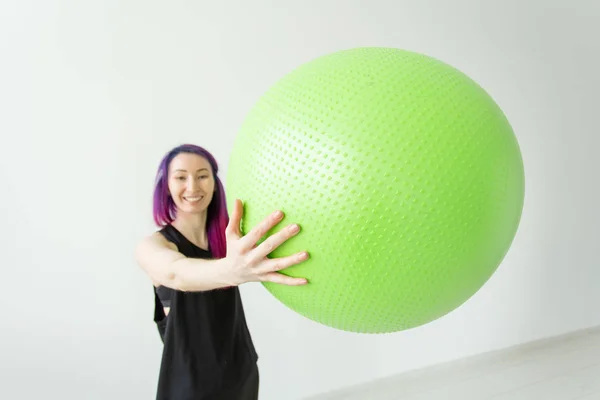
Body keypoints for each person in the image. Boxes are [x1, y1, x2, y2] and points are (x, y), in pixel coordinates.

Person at [135, 144, 310, 400]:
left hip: (240, 374)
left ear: (215, 183)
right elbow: (175, 273)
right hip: (188, 386)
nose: (193, 186)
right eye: (181, 177)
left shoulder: (231, 237)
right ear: (167, 186)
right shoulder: (153, 246)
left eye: (202, 175)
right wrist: (231, 270)